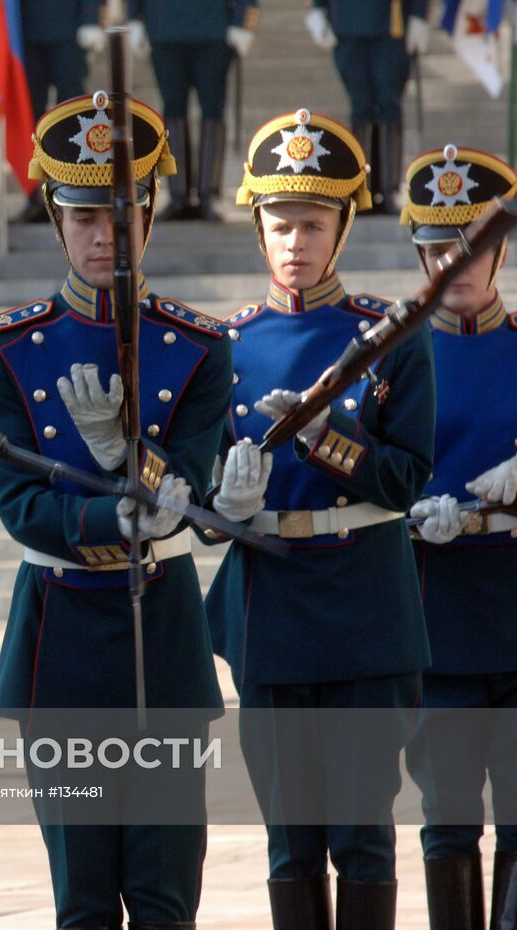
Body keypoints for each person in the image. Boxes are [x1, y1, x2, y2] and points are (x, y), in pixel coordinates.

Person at [0, 91, 230, 927]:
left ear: (149, 218)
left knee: (164, 897)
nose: (102, 237)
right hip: (63, 634)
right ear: (56, 217)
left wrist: (135, 463)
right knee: (82, 900)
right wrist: (103, 517)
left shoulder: (196, 345)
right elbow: (17, 504)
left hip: (160, 628)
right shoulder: (10, 346)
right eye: (84, 216)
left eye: (120, 216)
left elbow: (193, 477)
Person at [205, 109, 435, 929]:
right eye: (279, 224)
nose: (294, 241)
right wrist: (221, 504)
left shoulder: (389, 340)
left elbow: (407, 477)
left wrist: (330, 441)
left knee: (363, 834)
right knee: (288, 839)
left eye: (311, 222)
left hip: (366, 603)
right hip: (270, 602)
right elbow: (202, 493)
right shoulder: (223, 345)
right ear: (258, 229)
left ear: (340, 226)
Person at [397, 144, 517, 930]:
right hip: (433, 610)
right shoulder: (394, 358)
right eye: (438, 245)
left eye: (470, 244)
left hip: (515, 607)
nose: (454, 260)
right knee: (446, 820)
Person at [129, 0, 257, 221]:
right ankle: (178, 193)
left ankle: (210, 193)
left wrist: (243, 21)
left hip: (213, 28)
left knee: (213, 110)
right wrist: (134, 17)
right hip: (163, 26)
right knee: (172, 110)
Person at [305, 0, 431, 214]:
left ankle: (388, 189)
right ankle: (363, 188)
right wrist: (318, 8)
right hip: (346, 23)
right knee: (360, 107)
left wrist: (419, 14)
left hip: (391, 26)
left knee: (388, 105)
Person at [13, 1, 105, 224]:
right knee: (31, 116)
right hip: (23, 29)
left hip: (69, 27)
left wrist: (91, 17)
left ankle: (75, 189)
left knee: (73, 114)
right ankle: (38, 195)